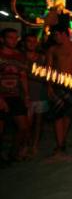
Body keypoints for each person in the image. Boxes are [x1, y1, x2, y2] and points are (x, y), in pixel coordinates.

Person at [46, 25, 72, 154]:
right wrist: (49, 87)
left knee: (67, 115)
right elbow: (49, 70)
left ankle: (62, 142)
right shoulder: (53, 49)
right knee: (58, 115)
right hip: (57, 84)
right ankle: (60, 144)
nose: (54, 37)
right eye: (53, 35)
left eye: (56, 34)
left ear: (64, 33)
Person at [0, 28, 30, 163]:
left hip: (16, 95)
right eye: (10, 37)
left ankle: (13, 153)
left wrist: (27, 95)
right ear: (2, 39)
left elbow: (23, 76)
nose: (13, 40)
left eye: (15, 37)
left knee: (23, 127)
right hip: (2, 96)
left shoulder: (20, 56)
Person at [24, 33, 48, 156]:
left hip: (40, 93)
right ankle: (27, 144)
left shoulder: (42, 58)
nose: (32, 43)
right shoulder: (21, 57)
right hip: (26, 94)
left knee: (38, 122)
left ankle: (35, 144)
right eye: (29, 41)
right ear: (25, 42)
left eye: (34, 41)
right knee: (27, 123)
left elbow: (47, 75)